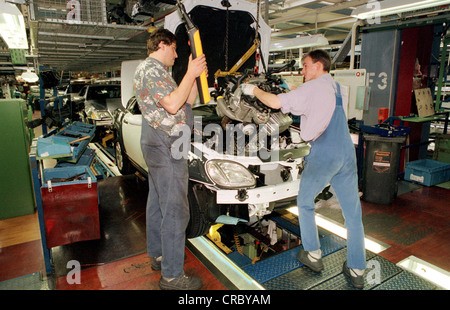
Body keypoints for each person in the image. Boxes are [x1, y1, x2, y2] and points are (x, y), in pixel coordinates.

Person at [240, 49, 366, 289]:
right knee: (353, 214)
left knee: (305, 203)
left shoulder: (313, 87)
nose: (302, 70)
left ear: (318, 66)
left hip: (325, 151)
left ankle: (313, 255)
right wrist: (292, 94)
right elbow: (315, 109)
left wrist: (253, 90)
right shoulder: (337, 88)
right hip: (346, 153)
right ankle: (357, 269)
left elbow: (276, 103)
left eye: (305, 66)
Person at [133, 28, 207, 290]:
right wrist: (189, 74)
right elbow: (173, 106)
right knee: (176, 209)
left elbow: (187, 100)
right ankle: (173, 276)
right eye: (174, 49)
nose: (176, 55)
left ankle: (159, 255)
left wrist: (195, 78)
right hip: (165, 144)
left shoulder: (160, 74)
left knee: (157, 201)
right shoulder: (150, 70)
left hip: (159, 141)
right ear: (162, 45)